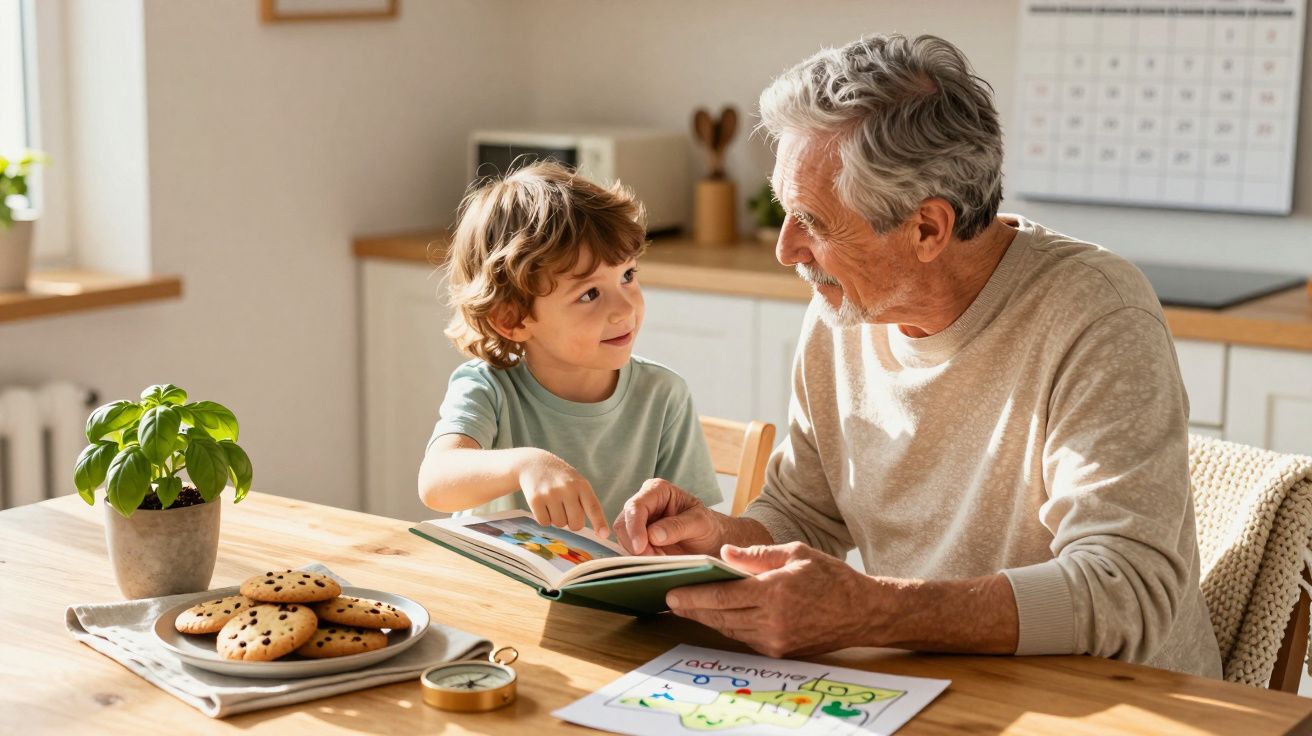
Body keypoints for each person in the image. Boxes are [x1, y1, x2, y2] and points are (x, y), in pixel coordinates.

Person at [615, 34, 1222, 677]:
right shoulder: (844, 306)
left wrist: (870, 611)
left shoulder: (1097, 316)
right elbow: (802, 511)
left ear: (927, 228)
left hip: (1115, 702)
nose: (786, 249)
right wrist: (721, 541)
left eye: (813, 222)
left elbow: (1124, 592)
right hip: (933, 685)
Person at [418, 161, 720, 538]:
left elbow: (691, 529)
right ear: (512, 318)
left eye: (628, 275)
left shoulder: (663, 397)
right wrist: (526, 464)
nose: (625, 309)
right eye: (590, 293)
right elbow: (435, 481)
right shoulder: (488, 389)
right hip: (497, 592)